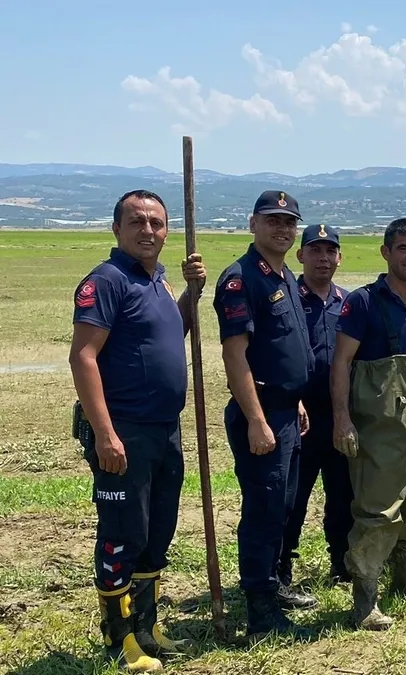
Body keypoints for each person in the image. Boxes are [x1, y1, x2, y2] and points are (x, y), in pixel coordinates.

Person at [69, 189, 205, 672]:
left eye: (157, 223)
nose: (148, 230)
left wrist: (191, 294)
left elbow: (168, 334)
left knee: (155, 532)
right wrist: (105, 434)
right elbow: (83, 357)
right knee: (122, 533)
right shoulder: (107, 281)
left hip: (164, 429)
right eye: (137, 221)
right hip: (125, 430)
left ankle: (147, 628)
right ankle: (120, 638)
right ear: (117, 229)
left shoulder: (157, 280)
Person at [331, 217, 406, 631]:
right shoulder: (363, 302)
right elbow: (341, 362)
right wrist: (342, 418)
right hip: (381, 425)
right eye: (403, 248)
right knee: (378, 509)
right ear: (386, 252)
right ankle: (365, 600)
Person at [213, 189, 316, 639]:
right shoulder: (242, 279)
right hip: (261, 416)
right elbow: (235, 356)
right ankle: (260, 613)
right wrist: (256, 420)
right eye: (272, 220)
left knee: (283, 507)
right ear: (253, 224)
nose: (282, 229)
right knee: (264, 511)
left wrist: (295, 399)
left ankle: (273, 587)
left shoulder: (284, 275)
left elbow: (279, 348)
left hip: (286, 412)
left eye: (289, 222)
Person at [277, 223, 354, 587]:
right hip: (300, 416)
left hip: (340, 415)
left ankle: (342, 562)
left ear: (339, 258)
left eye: (330, 251)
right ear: (300, 255)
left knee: (343, 495)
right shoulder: (288, 299)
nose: (323, 258)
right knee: (293, 497)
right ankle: (282, 567)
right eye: (315, 250)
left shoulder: (349, 303)